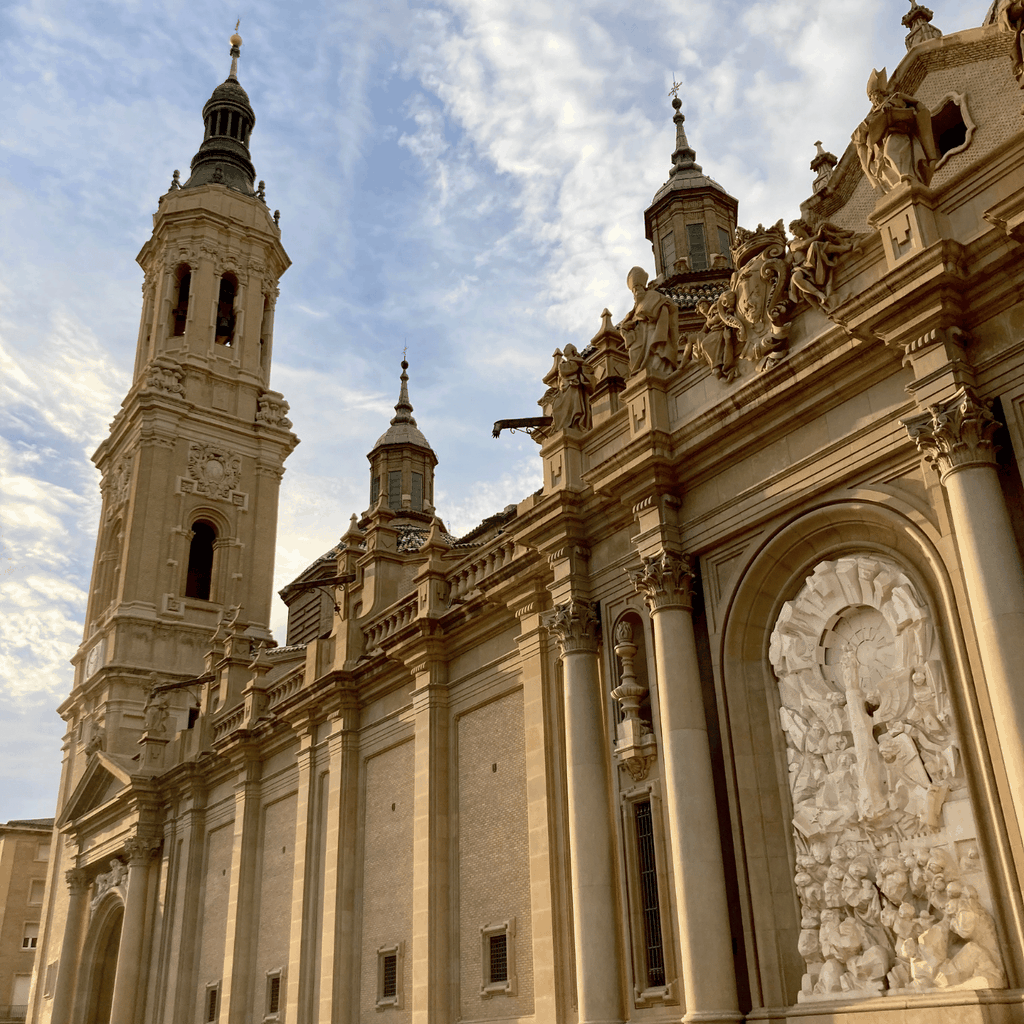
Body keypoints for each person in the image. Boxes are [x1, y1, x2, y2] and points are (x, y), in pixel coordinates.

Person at [853, 68, 938, 191]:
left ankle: (907, 176)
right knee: (885, 162)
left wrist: (892, 107)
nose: (874, 99)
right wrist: (868, 124)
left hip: (899, 134)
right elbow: (858, 137)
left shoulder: (895, 99)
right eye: (872, 97)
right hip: (882, 143)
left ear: (881, 93)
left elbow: (907, 108)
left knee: (890, 152)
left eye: (876, 95)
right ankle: (898, 184)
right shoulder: (871, 115)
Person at [619, 267, 679, 375]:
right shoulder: (635, 307)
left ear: (643, 286)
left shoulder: (654, 295)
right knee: (634, 352)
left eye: (637, 287)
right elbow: (631, 320)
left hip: (653, 330)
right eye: (634, 290)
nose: (636, 291)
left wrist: (646, 315)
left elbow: (664, 310)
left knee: (655, 352)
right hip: (639, 335)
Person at [788, 219, 857, 310]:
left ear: (801, 226)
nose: (794, 234)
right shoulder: (793, 244)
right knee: (796, 277)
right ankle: (819, 294)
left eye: (795, 230)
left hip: (815, 264)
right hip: (804, 267)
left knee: (816, 245)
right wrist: (818, 236)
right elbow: (804, 245)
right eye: (793, 233)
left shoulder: (813, 236)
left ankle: (844, 248)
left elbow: (845, 233)